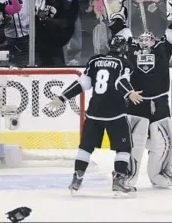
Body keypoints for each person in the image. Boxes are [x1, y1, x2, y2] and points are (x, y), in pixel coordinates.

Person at [103, 0, 172, 188]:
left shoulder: (163, 48)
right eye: (141, 38)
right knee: (134, 143)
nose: (145, 40)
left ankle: (160, 174)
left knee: (165, 144)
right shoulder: (129, 47)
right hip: (135, 103)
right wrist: (116, 15)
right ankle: (126, 176)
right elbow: (120, 32)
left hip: (160, 102)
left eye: (148, 38)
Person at [45, 36, 143, 195]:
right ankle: (118, 180)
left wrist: (63, 97)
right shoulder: (124, 63)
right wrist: (129, 92)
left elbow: (83, 84)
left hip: (94, 112)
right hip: (115, 113)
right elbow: (120, 81)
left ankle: (77, 179)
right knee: (124, 149)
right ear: (124, 48)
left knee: (85, 147)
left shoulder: (95, 60)